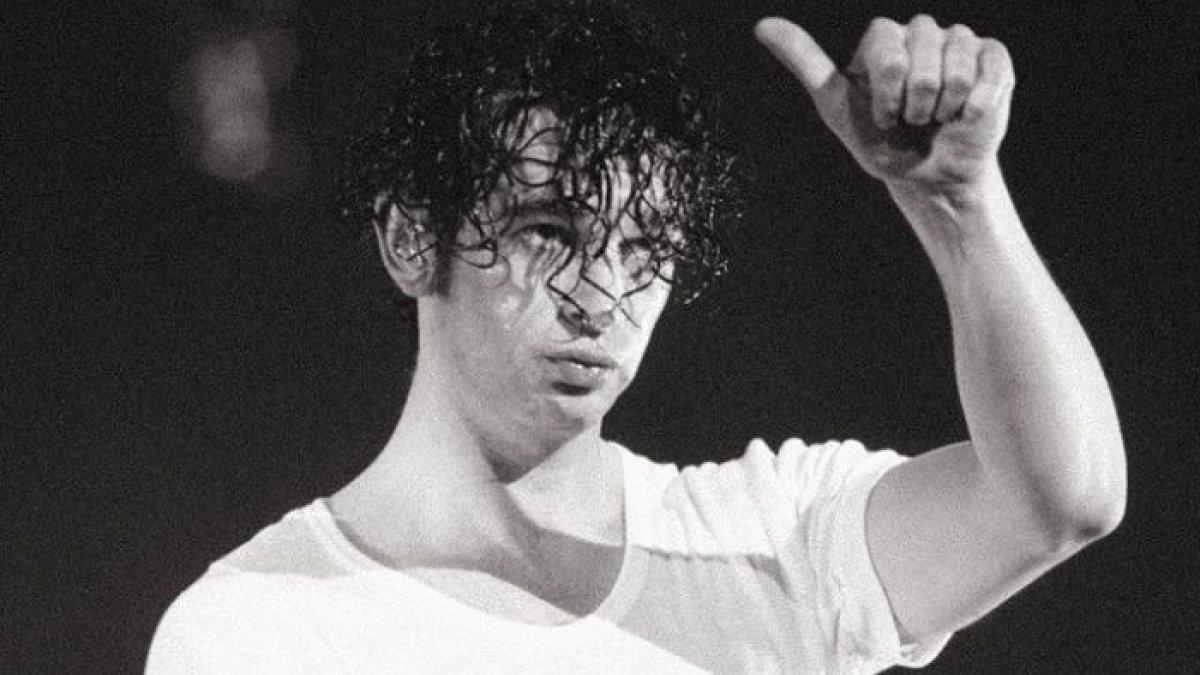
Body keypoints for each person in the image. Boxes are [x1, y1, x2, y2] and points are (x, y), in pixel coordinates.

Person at [147, 1, 1127, 672]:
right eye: (547, 231)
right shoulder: (260, 629)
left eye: (644, 247)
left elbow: (1061, 501)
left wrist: (959, 205)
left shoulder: (776, 533)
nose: (601, 295)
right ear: (411, 239)